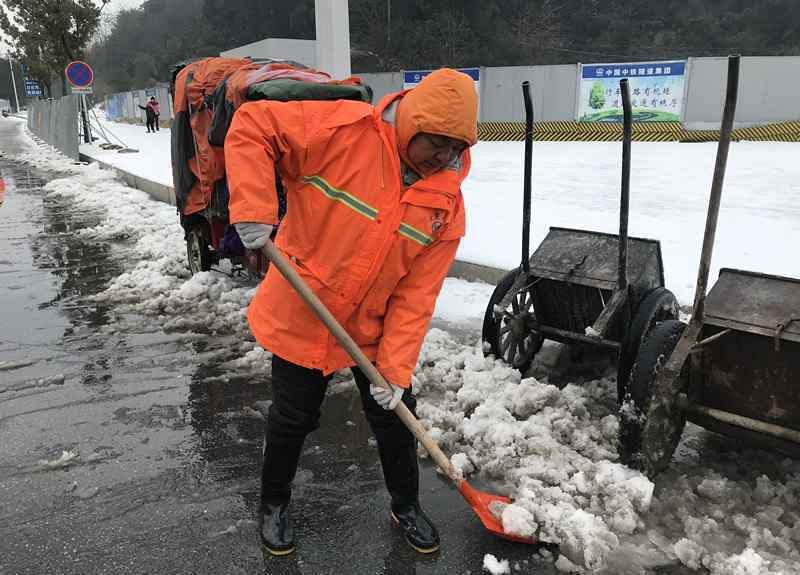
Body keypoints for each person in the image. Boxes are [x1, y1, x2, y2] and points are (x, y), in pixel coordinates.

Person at [224, 68, 477, 556]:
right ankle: (274, 502)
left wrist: (397, 370)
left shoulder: (445, 205)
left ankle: (405, 504)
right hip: (306, 305)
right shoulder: (341, 130)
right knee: (293, 416)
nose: (444, 158)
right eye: (437, 144)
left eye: (456, 148)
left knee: (396, 417)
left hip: (373, 325)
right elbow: (254, 125)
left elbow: (416, 297)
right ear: (414, 123)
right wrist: (254, 207)